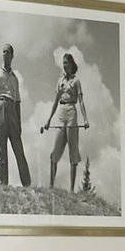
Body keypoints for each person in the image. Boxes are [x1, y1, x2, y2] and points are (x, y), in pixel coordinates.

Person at [41, 51, 89, 198]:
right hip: (60, 112)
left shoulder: (76, 81)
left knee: (73, 152)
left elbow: (80, 101)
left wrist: (85, 119)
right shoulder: (59, 80)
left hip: (72, 112)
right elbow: (55, 101)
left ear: (71, 65)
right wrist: (48, 120)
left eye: (66, 64)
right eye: (63, 64)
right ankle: (51, 186)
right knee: (54, 151)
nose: (64, 66)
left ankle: (72, 190)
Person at [0, 44, 31, 189]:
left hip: (13, 110)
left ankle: (27, 184)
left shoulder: (15, 78)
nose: (5, 54)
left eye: (7, 52)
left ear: (12, 56)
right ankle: (3, 184)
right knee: (2, 151)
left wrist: (19, 123)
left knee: (19, 150)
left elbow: (18, 102)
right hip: (1, 107)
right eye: (3, 51)